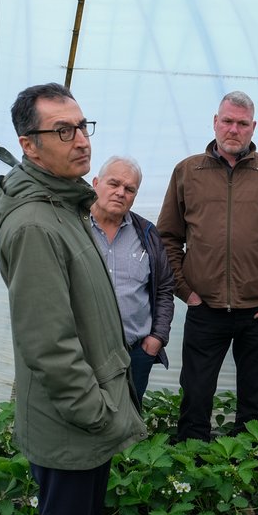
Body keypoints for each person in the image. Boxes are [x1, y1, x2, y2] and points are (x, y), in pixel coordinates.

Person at [0, 83, 147, 515]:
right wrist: (95, 412)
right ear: (29, 145)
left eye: (81, 126)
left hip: (82, 416)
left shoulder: (63, 205)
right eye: (63, 130)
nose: (81, 140)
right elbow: (49, 344)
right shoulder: (36, 223)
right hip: (72, 422)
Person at [157, 90, 258, 441]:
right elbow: (167, 237)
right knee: (195, 393)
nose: (234, 129)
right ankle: (192, 461)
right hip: (205, 306)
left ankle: (250, 467)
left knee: (257, 400)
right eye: (227, 121)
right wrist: (185, 289)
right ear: (215, 122)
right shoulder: (187, 171)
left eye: (242, 123)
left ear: (253, 127)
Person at [89, 155, 175, 403]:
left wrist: (156, 339)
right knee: (84, 427)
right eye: (113, 184)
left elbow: (164, 288)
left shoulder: (146, 232)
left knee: (128, 425)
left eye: (129, 189)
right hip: (84, 355)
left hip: (135, 353)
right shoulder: (75, 228)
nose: (120, 193)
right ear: (96, 183)